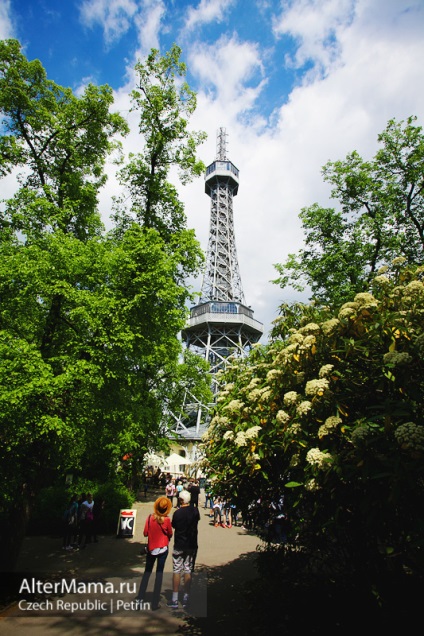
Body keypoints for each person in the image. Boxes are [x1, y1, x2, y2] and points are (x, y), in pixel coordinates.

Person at [135, 497, 173, 611]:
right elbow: (170, 533)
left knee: (147, 573)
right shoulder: (166, 520)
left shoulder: (150, 518)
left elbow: (145, 533)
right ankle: (155, 602)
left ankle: (139, 600)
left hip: (151, 548)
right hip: (162, 548)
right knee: (159, 574)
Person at [167, 489, 200, 610]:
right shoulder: (195, 511)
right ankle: (186, 597)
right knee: (188, 569)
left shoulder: (177, 513)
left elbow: (174, 525)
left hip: (179, 544)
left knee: (177, 569)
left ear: (181, 500)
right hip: (191, 544)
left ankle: (175, 598)